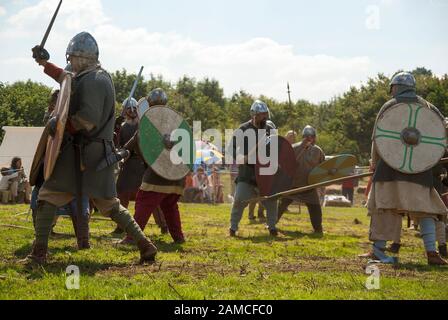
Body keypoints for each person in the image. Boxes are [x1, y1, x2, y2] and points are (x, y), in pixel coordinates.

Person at [25, 31, 157, 264]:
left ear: (82, 58)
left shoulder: (95, 80)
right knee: (109, 205)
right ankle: (145, 245)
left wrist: (62, 126)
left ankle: (38, 254)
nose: (70, 63)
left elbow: (87, 119)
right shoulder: (86, 76)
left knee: (49, 196)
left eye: (72, 58)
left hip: (86, 153)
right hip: (87, 153)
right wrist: (45, 63)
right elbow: (65, 81)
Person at [361, 71, 447, 265]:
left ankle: (378, 250)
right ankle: (431, 253)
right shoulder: (427, 106)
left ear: (394, 87)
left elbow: (377, 138)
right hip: (419, 170)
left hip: (389, 170)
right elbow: (443, 130)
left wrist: (374, 163)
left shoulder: (390, 106)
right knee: (425, 210)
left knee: (384, 207)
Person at [120, 88, 186, 244]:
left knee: (143, 201)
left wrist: (121, 153)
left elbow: (136, 142)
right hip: (177, 174)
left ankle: (131, 237)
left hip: (160, 172)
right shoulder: (174, 119)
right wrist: (122, 152)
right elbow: (134, 142)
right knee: (170, 206)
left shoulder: (154, 121)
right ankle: (178, 238)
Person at [227, 100, 279, 237]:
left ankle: (272, 227)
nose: (264, 117)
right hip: (247, 173)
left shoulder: (269, 131)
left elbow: (276, 149)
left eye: (265, 114)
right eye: (261, 115)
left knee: (272, 200)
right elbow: (230, 148)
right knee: (239, 200)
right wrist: (239, 157)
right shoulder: (243, 129)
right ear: (254, 115)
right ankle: (233, 227)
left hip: (265, 173)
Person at [277, 126, 326, 234]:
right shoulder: (293, 148)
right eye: (307, 137)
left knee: (315, 208)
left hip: (309, 185)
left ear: (314, 138)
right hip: (293, 184)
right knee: (282, 205)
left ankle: (318, 229)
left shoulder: (318, 151)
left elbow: (323, 168)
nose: (309, 139)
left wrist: (322, 183)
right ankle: (271, 224)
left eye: (311, 137)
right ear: (303, 137)